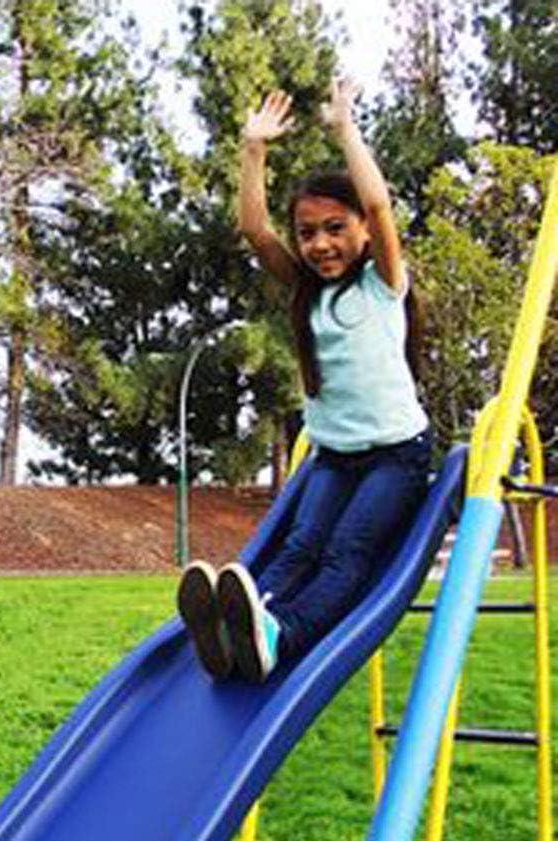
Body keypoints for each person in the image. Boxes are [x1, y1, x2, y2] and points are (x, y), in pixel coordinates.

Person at [177, 80, 432, 684]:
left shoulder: (382, 284)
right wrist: (253, 151)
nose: (320, 243)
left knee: (345, 553)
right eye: (309, 231)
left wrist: (346, 129)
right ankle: (236, 626)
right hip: (333, 459)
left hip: (396, 457)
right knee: (298, 548)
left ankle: (281, 633)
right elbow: (255, 229)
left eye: (334, 228)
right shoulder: (306, 295)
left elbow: (378, 205)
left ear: (362, 234)